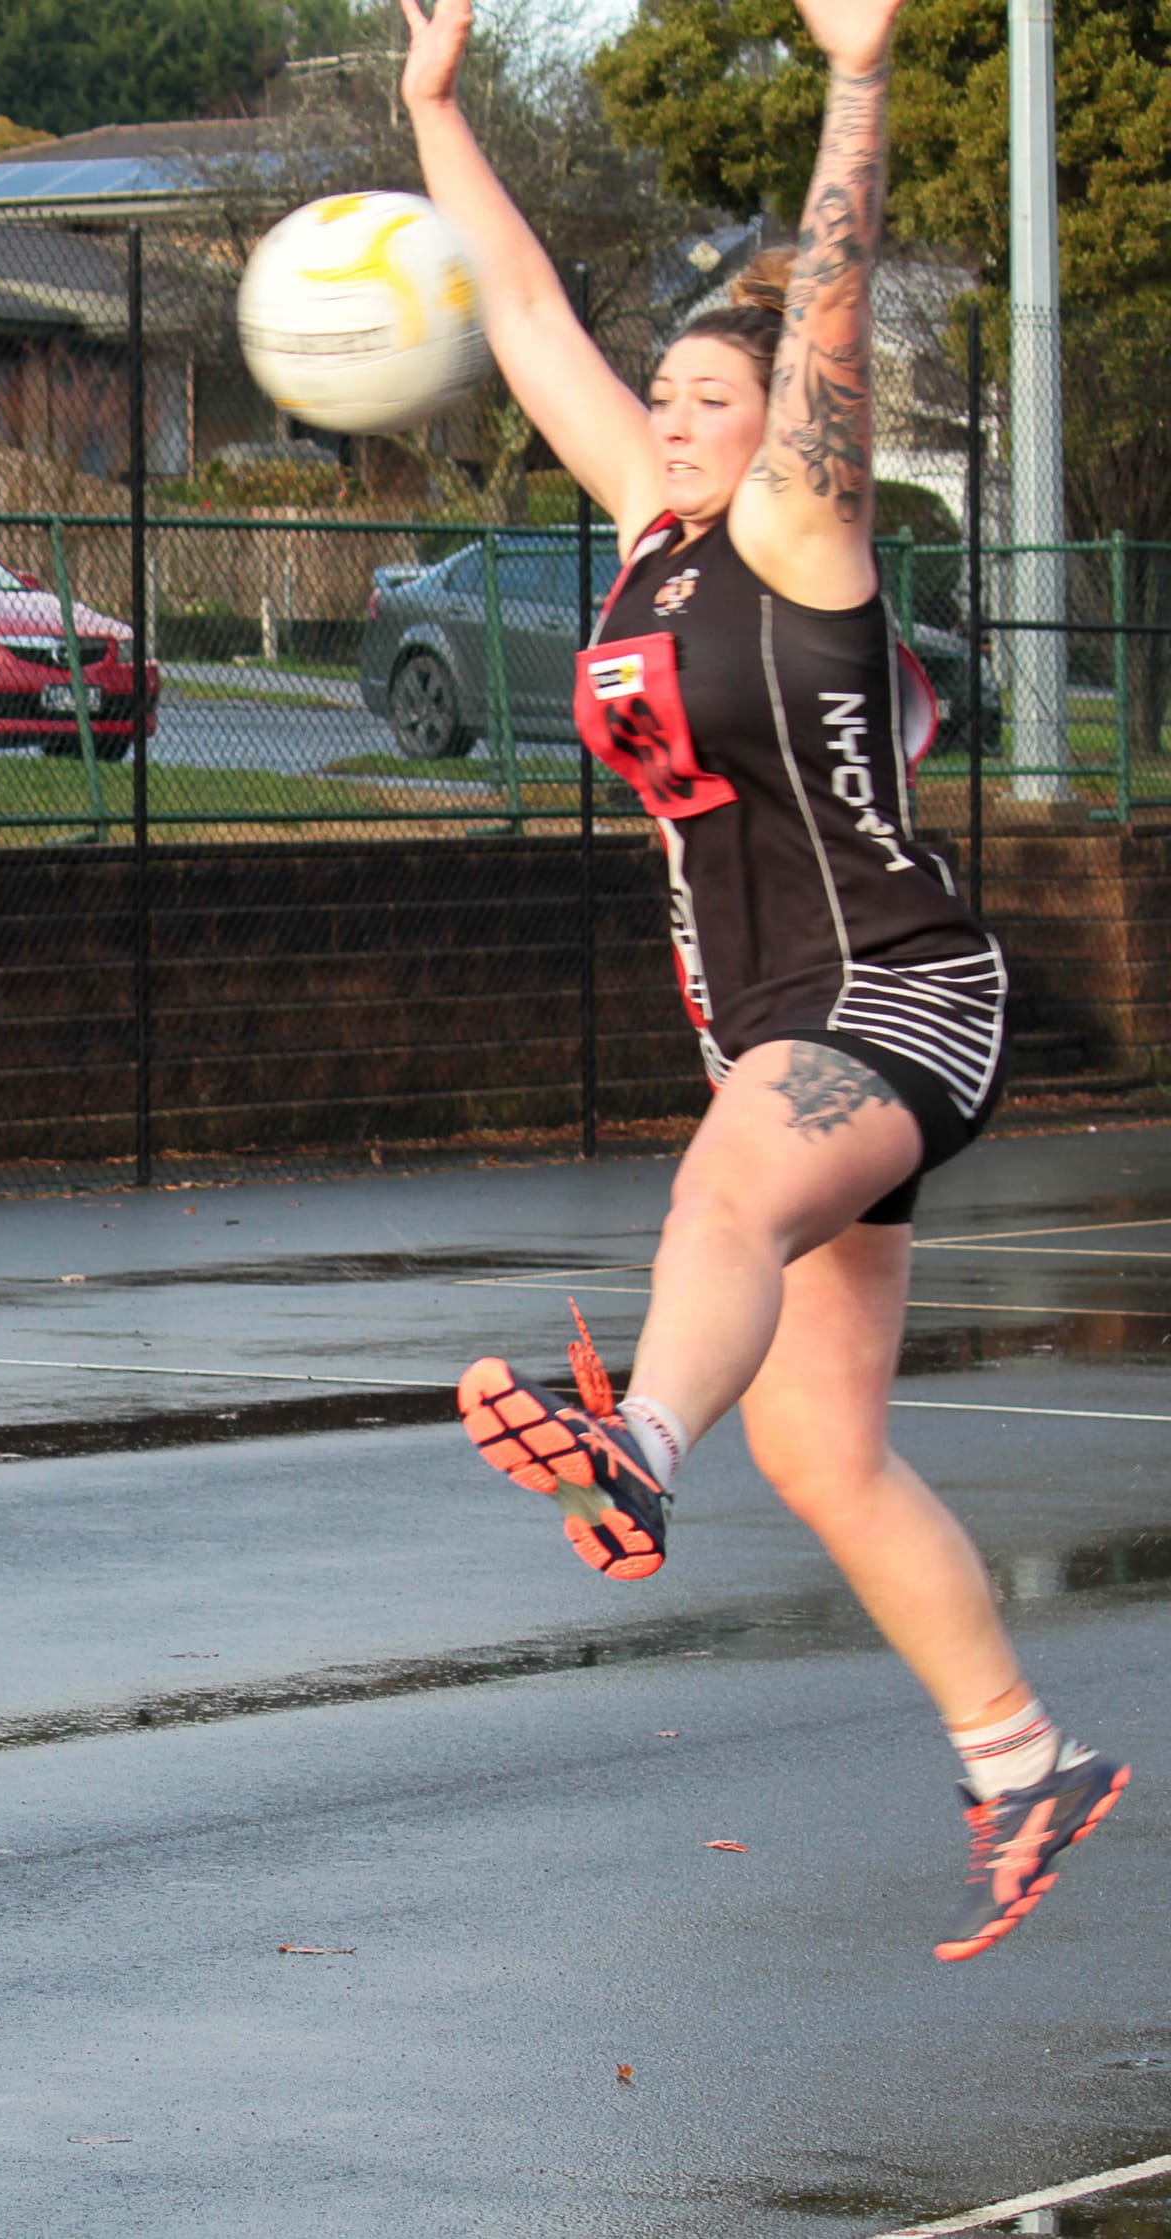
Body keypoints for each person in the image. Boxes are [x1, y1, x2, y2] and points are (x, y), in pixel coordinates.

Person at [402, 0, 1127, 1961]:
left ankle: (632, 1446)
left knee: (719, 1188)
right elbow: (528, 310)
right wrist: (434, 107)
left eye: (709, 396)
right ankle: (1019, 1758)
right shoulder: (648, 541)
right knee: (819, 1444)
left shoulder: (803, 528)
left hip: (894, 990)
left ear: (781, 425)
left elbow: (827, 316)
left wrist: (862, 76)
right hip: (772, 1019)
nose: (675, 412)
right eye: (668, 396)